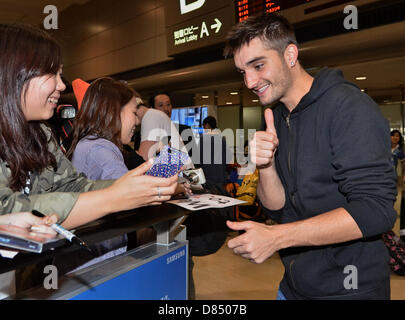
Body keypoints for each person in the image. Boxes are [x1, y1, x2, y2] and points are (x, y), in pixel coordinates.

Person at [223, 13, 397, 300]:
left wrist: (277, 238)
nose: (250, 81)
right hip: (293, 286)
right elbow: (277, 209)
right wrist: (265, 165)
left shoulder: (348, 107)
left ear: (290, 54)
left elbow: (376, 210)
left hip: (350, 290)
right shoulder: (276, 117)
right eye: (243, 72)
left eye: (258, 65)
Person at [0, 24, 178, 290]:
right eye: (53, 73)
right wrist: (113, 197)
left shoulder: (38, 133)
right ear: (17, 74)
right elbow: (6, 210)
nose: (62, 85)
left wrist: (127, 187)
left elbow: (73, 185)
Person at [149, 91, 195, 157]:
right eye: (160, 105)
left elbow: (195, 160)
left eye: (168, 104)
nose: (166, 109)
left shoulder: (185, 130)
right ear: (152, 109)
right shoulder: (146, 134)